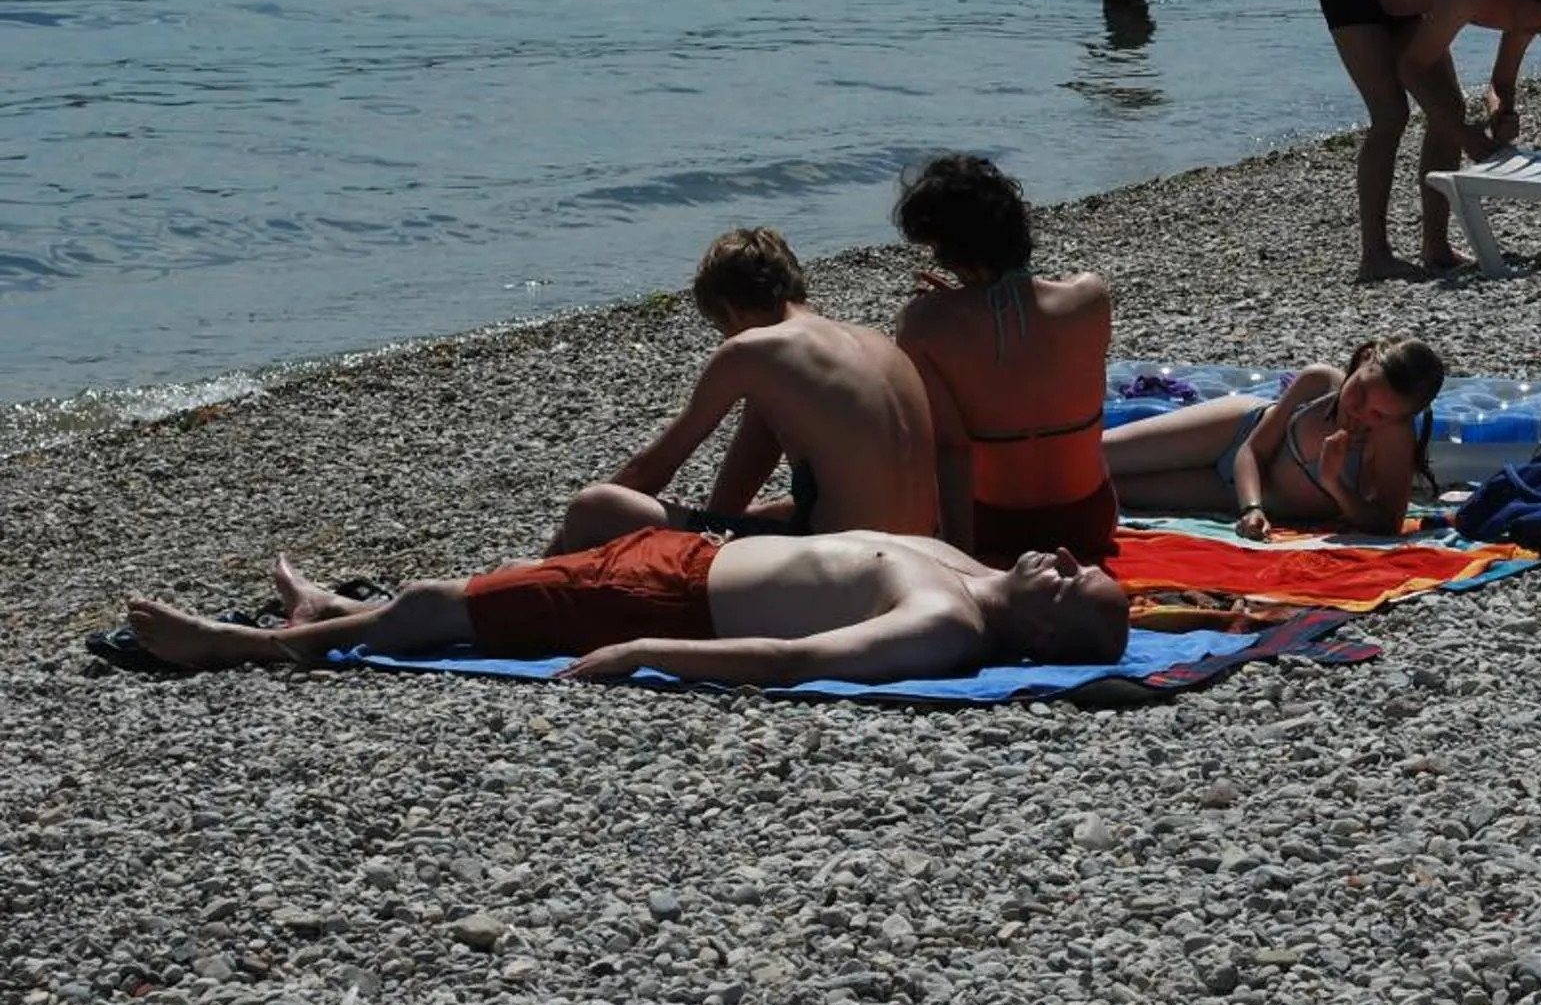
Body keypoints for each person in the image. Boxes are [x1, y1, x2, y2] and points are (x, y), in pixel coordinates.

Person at [118, 534, 1128, 682]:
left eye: (1070, 580)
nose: (1064, 558)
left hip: (664, 598)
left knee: (445, 603)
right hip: (684, 559)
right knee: (492, 590)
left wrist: (647, 647)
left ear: (1040, 631)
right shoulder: (968, 570)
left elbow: (798, 658)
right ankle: (340, 610)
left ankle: (256, 647)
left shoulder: (948, 624)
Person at [545, 229, 938, 555]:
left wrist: (555, 550)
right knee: (766, 511)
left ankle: (541, 577)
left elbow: (650, 471)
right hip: (922, 551)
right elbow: (758, 451)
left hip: (846, 563)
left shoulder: (752, 350)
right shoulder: (876, 343)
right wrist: (721, 520)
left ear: (730, 309)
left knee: (592, 507)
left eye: (722, 327)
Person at [1317, 0, 1541, 279]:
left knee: (1450, 110)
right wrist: (1464, 136)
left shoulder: (1527, 9)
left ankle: (1436, 248)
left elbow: (1502, 82)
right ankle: (1375, 257)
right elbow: (1411, 67)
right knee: (1390, 114)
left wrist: (1501, 113)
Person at [893, 154, 1123, 567]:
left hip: (994, 529)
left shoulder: (923, 325)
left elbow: (952, 450)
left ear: (946, 250)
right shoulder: (1089, 297)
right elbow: (1025, 350)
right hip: (1089, 522)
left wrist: (963, 563)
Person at [1103, 336, 1448, 538]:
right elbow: (1252, 450)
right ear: (1363, 360)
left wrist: (1334, 483)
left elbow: (1387, 524)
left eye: (1379, 414)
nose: (1360, 411)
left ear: (1400, 418)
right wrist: (1252, 508)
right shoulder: (1319, 382)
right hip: (1234, 431)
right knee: (1095, 454)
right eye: (1360, 391)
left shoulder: (1391, 439)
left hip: (1227, 491)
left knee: (1102, 490)